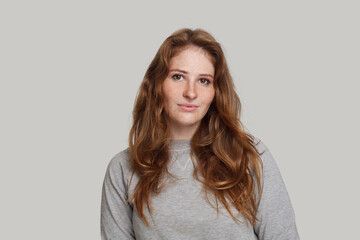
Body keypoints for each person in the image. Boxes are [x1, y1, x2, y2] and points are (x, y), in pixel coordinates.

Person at [101, 28, 299, 240]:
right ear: (157, 84)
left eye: (204, 80)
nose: (191, 92)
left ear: (216, 92)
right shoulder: (123, 168)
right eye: (178, 77)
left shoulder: (250, 156)